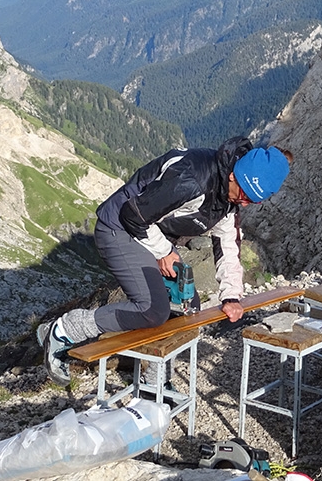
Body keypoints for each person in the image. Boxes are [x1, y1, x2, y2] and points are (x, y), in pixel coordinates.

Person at [38, 135, 291, 386]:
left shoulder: (229, 198)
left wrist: (231, 296)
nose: (245, 204)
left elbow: (227, 245)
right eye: (245, 196)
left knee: (187, 304)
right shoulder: (191, 179)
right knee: (152, 309)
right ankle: (64, 330)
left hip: (152, 233)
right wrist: (162, 252)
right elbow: (133, 214)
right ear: (234, 175)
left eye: (252, 201)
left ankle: (154, 384)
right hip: (120, 227)